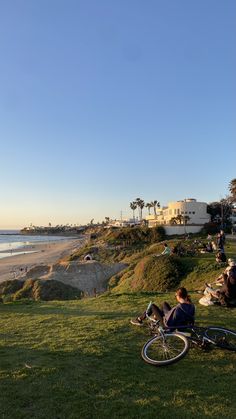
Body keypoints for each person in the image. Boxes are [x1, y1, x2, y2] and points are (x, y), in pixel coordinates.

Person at [130, 287, 195, 328]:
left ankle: (139, 319)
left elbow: (168, 322)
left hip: (167, 324)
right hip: (181, 323)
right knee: (164, 304)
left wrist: (163, 318)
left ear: (178, 296)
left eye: (175, 295)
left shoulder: (179, 307)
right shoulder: (191, 305)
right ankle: (155, 316)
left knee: (152, 306)